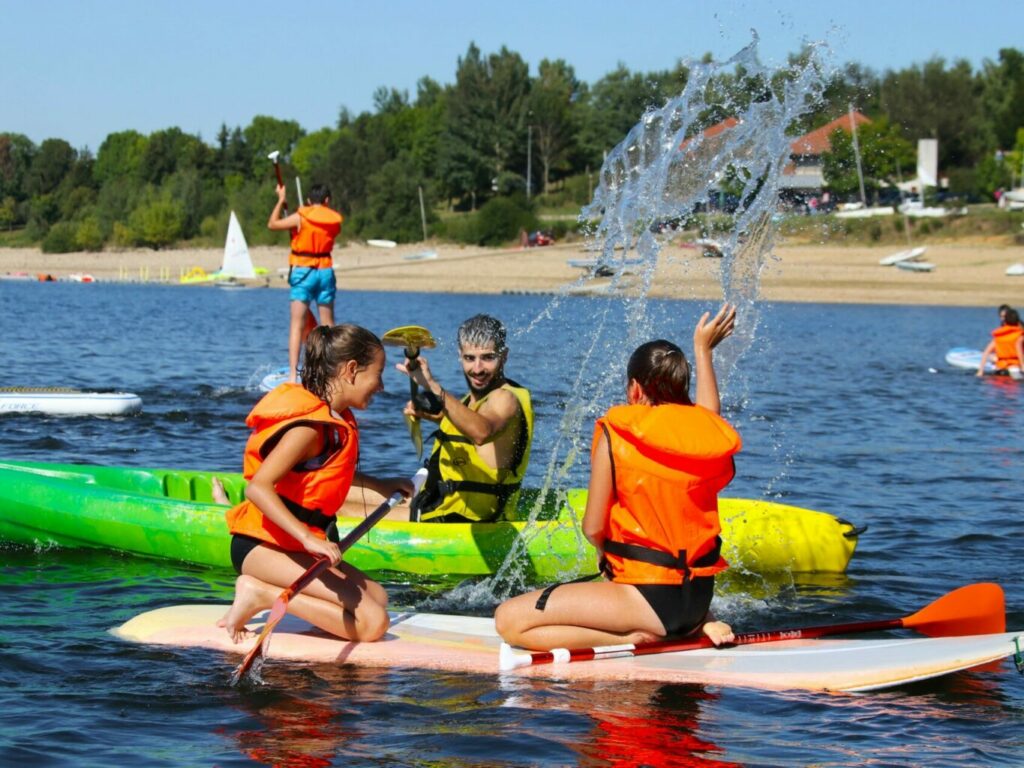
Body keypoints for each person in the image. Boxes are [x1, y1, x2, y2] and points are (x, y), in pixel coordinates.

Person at [494, 304, 740, 651]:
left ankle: (636, 636)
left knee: (509, 620)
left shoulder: (617, 432)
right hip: (698, 598)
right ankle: (691, 625)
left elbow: (593, 526)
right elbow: (709, 414)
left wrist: (604, 554)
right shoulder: (707, 432)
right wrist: (703, 350)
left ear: (635, 389)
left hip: (648, 600)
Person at [219, 324, 413, 644]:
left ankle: (279, 594)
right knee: (372, 623)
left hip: (289, 545)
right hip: (261, 545)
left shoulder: (336, 420)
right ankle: (260, 593)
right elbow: (259, 487)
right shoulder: (309, 429)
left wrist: (380, 484)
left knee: (377, 597)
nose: (380, 386)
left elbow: (328, 474)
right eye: (377, 374)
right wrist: (309, 540)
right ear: (351, 370)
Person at [395, 314, 533, 523]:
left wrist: (432, 385)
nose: (477, 369)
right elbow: (465, 424)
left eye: (488, 357)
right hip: (439, 503)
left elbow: (481, 432)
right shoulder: (471, 400)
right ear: (460, 355)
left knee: (340, 512)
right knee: (344, 494)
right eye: (470, 358)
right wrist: (427, 413)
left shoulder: (505, 398)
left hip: (464, 518)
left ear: (504, 356)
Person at [268, 183, 343, 383]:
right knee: (328, 325)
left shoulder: (300, 217)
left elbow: (273, 224)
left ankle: (293, 376)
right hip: (325, 271)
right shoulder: (333, 220)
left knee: (297, 324)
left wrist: (281, 200)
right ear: (327, 201)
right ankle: (331, 375)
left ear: (309, 200)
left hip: (303, 271)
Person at [978, 307, 1024, 377]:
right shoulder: (1020, 336)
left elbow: (986, 352)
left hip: (999, 369)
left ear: (1005, 321)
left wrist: (980, 371)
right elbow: (1018, 348)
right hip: (1014, 370)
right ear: (1017, 321)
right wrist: (1023, 366)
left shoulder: (998, 337)